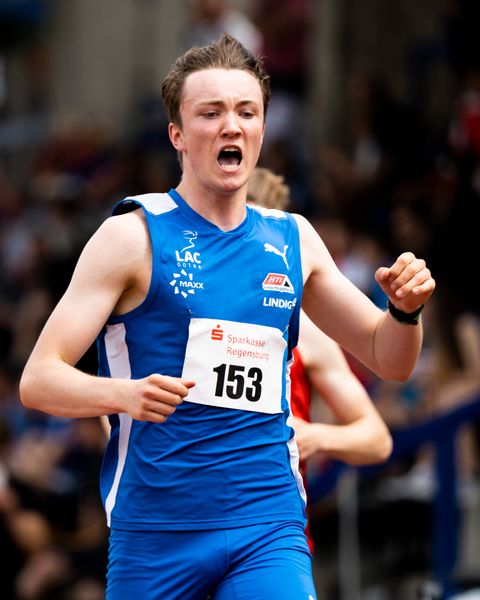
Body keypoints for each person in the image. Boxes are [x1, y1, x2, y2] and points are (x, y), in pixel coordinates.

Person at [19, 34, 435, 600]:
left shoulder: (294, 240)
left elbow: (389, 359)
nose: (231, 126)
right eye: (210, 113)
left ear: (263, 129)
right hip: (156, 532)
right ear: (178, 135)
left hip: (267, 524)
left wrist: (404, 312)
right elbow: (39, 379)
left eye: (246, 112)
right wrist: (124, 396)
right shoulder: (131, 236)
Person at [247, 166, 393, 552]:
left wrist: (314, 436)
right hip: (184, 525)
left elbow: (376, 438)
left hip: (275, 531)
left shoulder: (306, 330)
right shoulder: (183, 313)